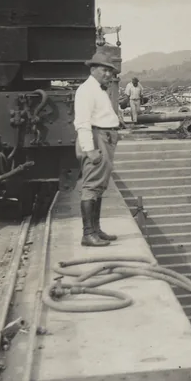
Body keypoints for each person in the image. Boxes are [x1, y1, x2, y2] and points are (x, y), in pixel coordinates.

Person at [73, 45, 122, 247]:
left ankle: (96, 229)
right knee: (91, 186)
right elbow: (82, 123)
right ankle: (88, 233)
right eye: (104, 69)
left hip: (105, 138)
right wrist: (90, 149)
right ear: (92, 69)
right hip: (96, 138)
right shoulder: (86, 90)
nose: (108, 73)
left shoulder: (98, 90)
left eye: (110, 70)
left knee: (99, 187)